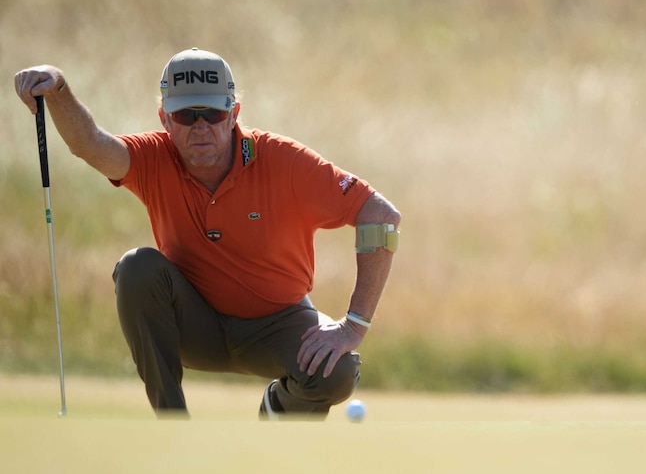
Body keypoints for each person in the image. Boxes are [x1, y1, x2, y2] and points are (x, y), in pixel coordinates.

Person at [13, 48, 401, 419]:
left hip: (276, 324)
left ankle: (278, 411)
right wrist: (58, 89)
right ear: (165, 119)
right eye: (186, 115)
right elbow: (90, 144)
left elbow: (380, 215)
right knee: (137, 267)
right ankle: (173, 429)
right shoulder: (154, 157)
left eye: (212, 114)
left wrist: (354, 325)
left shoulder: (284, 161)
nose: (200, 128)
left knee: (338, 370)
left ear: (233, 113)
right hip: (193, 325)